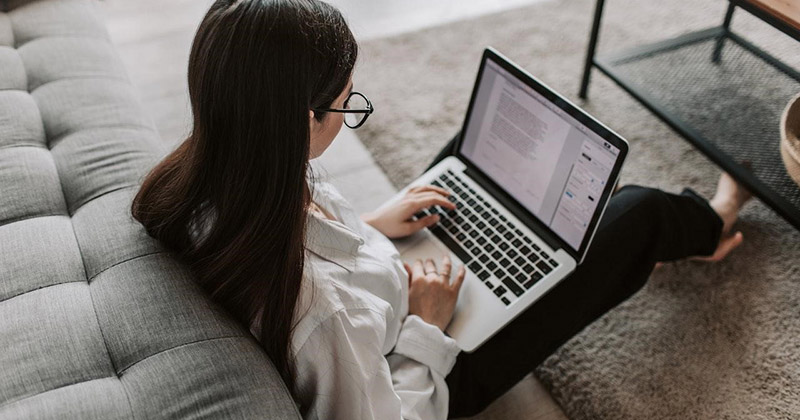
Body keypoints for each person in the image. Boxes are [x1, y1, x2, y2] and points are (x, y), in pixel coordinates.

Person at [131, 0, 752, 418]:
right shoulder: (323, 314)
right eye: (347, 107)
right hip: (433, 368)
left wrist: (372, 227)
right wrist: (427, 324)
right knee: (638, 213)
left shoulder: (214, 175)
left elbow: (307, 245)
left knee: (471, 161)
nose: (350, 116)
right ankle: (712, 221)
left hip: (386, 289)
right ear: (300, 121)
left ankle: (577, 223)